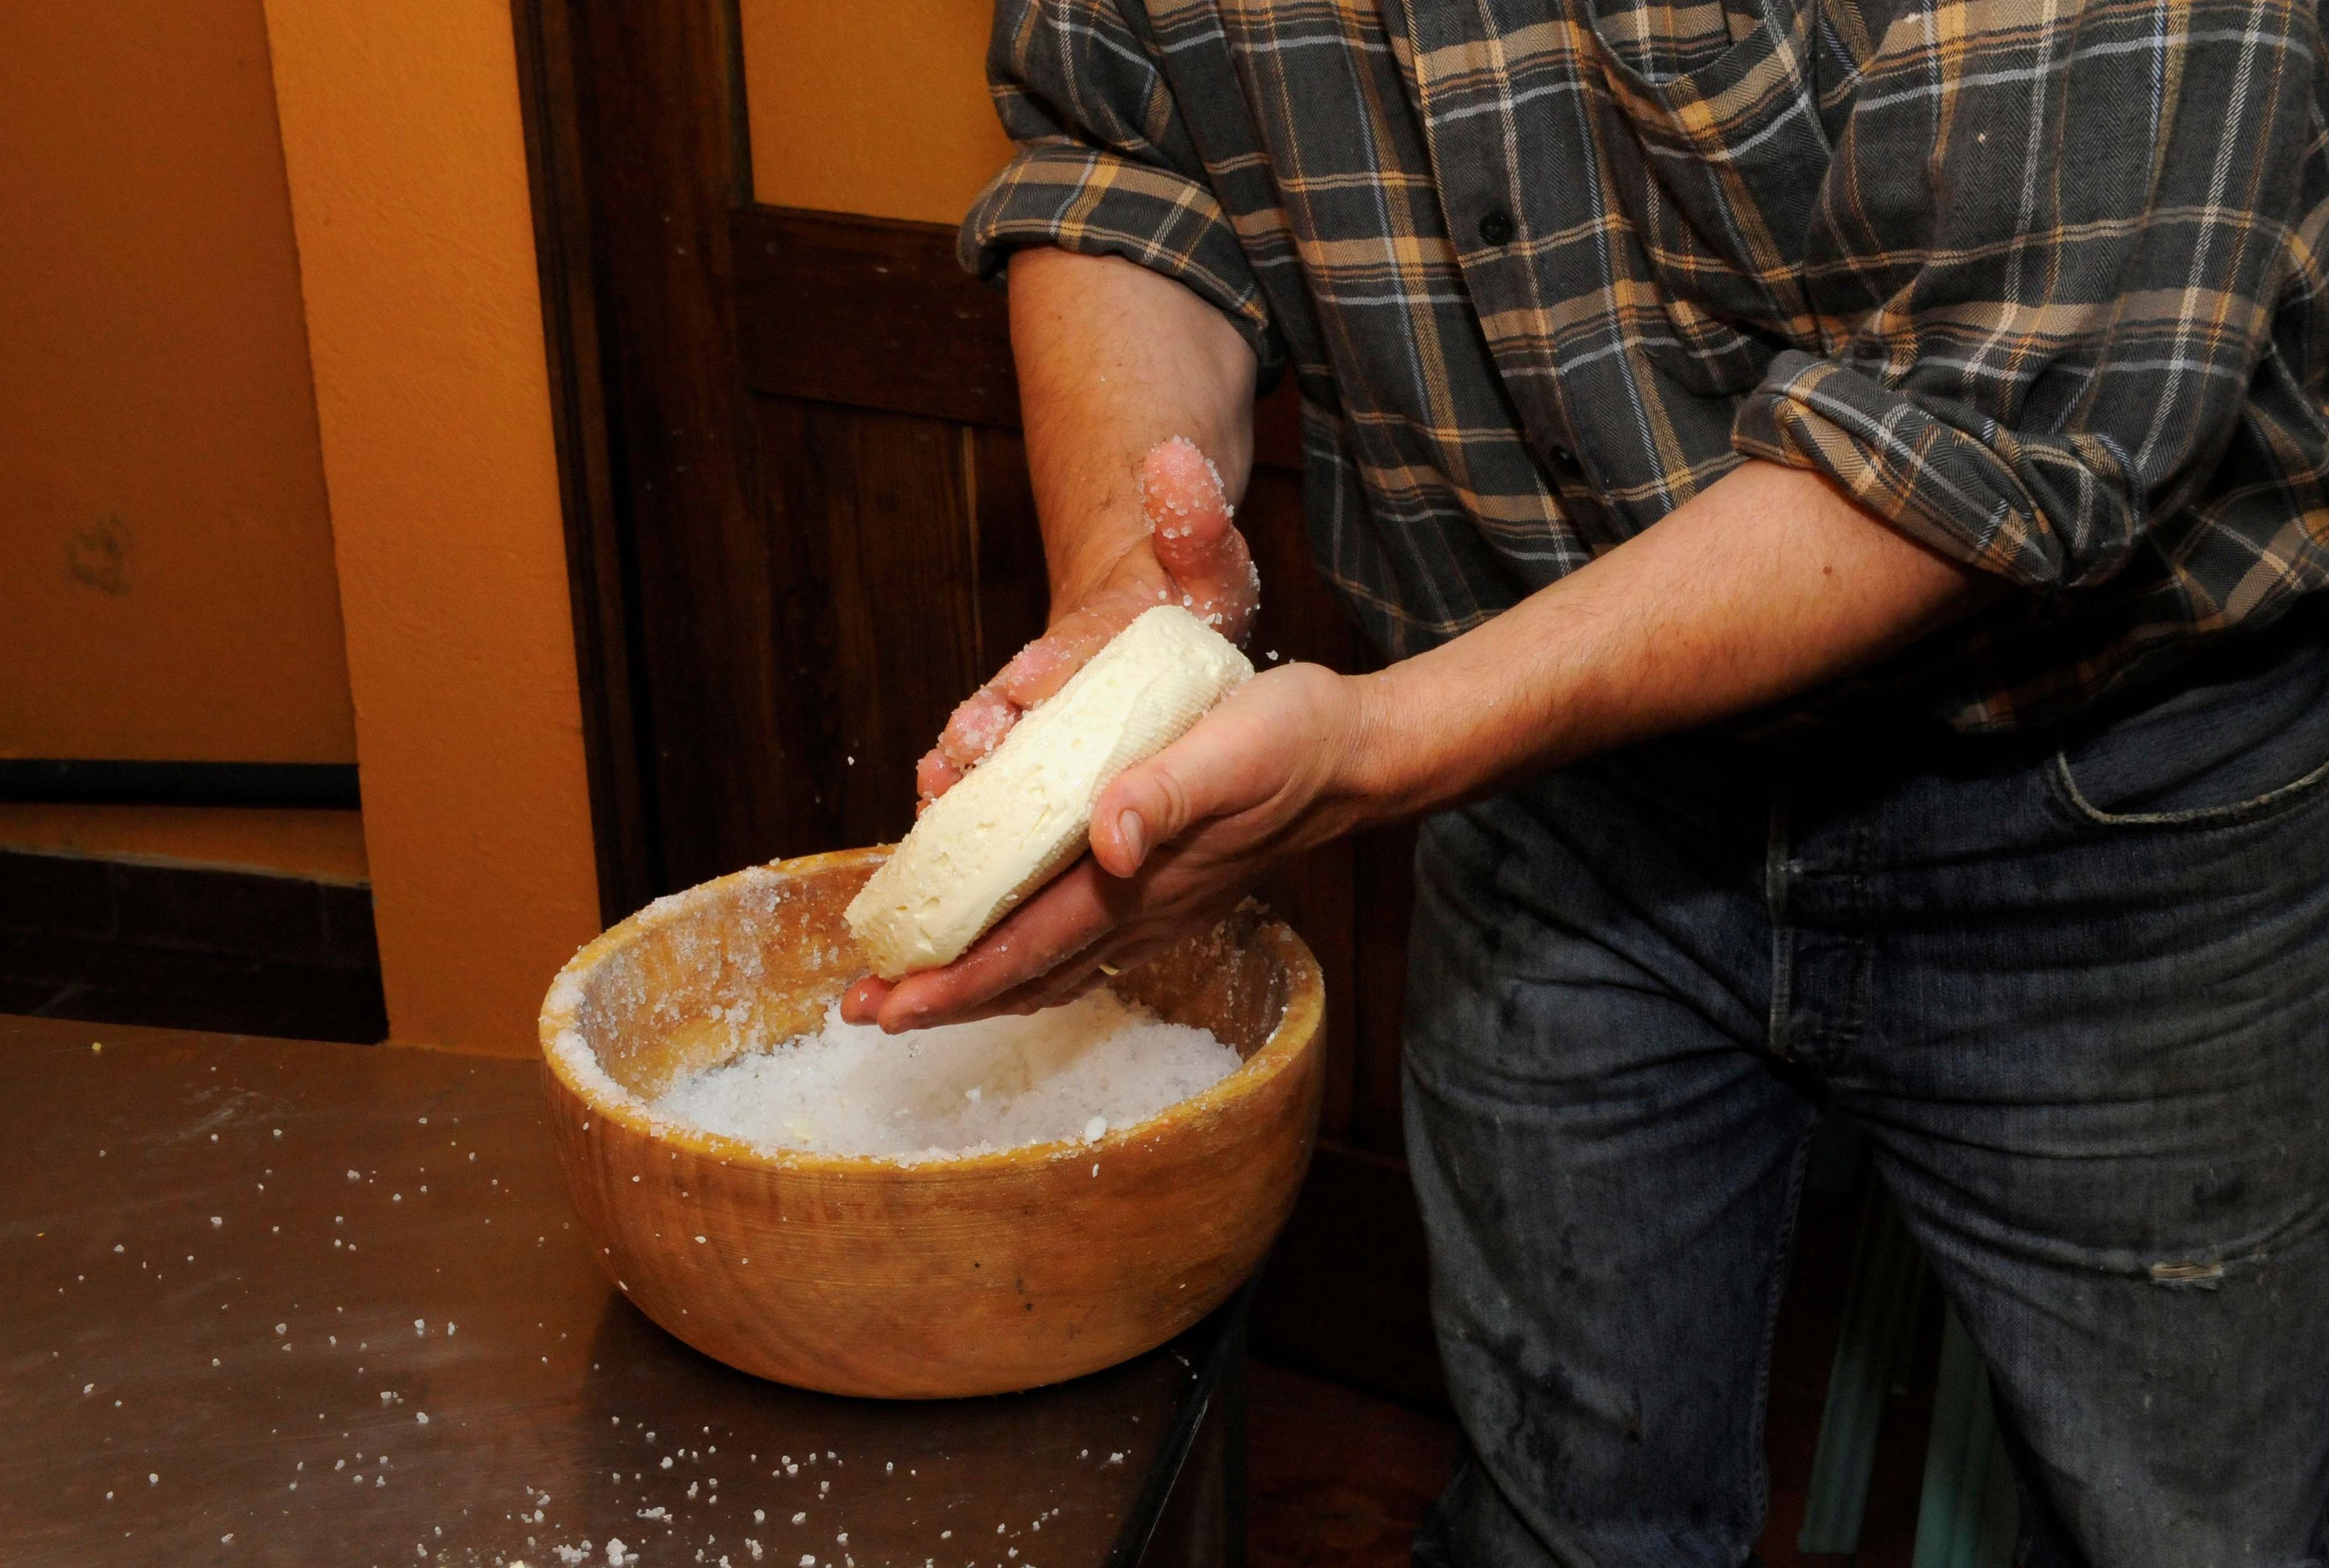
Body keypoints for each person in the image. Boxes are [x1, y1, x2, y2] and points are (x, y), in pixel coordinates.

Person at [839, 0, 2329, 1559]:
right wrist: (1128, 586)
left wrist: (1381, 749)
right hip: (1557, 808)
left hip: (2118, 799)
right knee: (1562, 1528)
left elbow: (1998, 406)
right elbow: (1128, 157)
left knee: (2196, 1534)